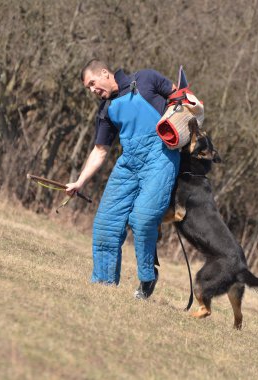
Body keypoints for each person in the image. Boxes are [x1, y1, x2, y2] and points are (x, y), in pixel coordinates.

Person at [66, 59, 180, 298]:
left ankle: (147, 278)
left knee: (142, 218)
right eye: (88, 88)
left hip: (161, 158)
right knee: (105, 223)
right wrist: (79, 182)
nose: (92, 91)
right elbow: (100, 150)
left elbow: (180, 95)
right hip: (129, 164)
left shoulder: (146, 78)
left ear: (105, 73)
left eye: (93, 84)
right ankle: (103, 283)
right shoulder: (106, 109)